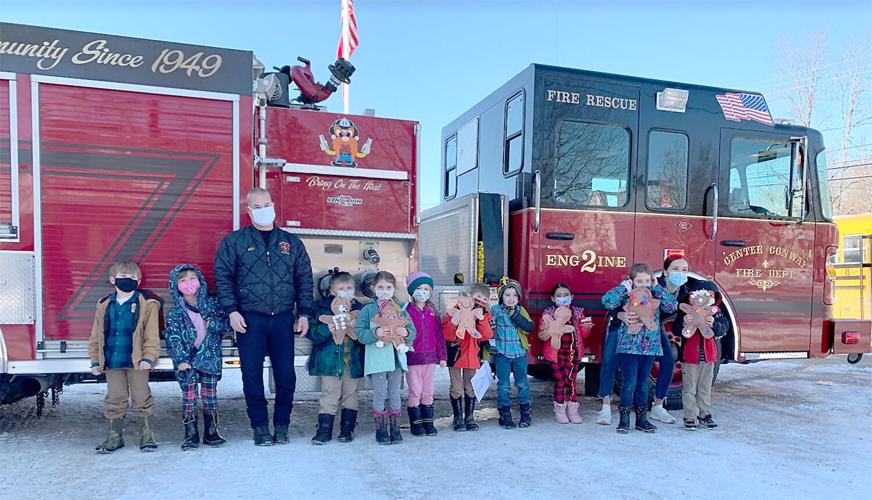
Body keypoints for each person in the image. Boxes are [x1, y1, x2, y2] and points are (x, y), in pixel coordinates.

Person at [214, 187, 314, 446]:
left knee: (286, 376)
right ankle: (259, 427)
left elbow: (304, 279)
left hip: (282, 319)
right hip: (250, 320)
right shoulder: (234, 242)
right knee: (251, 376)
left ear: (273, 206)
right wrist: (232, 311)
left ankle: (282, 426)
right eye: (257, 207)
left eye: (266, 205)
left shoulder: (291, 243)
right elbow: (223, 278)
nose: (263, 210)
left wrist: (304, 313)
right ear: (249, 211)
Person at [88, 262, 160, 453]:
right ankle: (114, 436)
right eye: (123, 277)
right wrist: (95, 360)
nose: (128, 280)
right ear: (113, 280)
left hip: (137, 361)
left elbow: (151, 334)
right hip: (112, 360)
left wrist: (149, 357)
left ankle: (147, 435)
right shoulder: (104, 304)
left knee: (141, 396)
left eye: (132, 278)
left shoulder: (147, 304)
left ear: (139, 281)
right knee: (115, 397)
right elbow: (96, 335)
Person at [601, 263, 677, 434]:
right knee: (629, 383)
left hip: (649, 347)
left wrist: (657, 288)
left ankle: (642, 419)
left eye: (647, 281)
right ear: (632, 281)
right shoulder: (626, 295)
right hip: (629, 347)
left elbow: (672, 306)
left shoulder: (654, 296)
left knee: (643, 384)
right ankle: (624, 419)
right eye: (639, 281)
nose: (644, 284)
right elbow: (607, 301)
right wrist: (623, 288)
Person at [164, 264, 231, 450]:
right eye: (183, 280)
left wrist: (213, 323)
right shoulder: (176, 312)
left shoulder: (212, 305)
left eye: (192, 278)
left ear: (200, 281)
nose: (188, 283)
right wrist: (181, 360)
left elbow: (227, 324)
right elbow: (173, 337)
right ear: (176, 285)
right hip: (187, 361)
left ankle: (211, 431)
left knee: (210, 395)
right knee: (189, 396)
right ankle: (190, 434)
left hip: (209, 358)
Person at [355, 271, 417, 445]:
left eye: (388, 287)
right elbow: (359, 333)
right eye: (381, 287)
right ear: (373, 288)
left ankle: (395, 428)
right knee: (380, 393)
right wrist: (375, 332)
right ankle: (381, 429)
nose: (384, 291)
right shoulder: (368, 310)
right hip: (378, 360)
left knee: (395, 393)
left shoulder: (400, 308)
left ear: (394, 289)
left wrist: (406, 333)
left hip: (396, 359)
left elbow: (412, 331)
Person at [307, 271, 365, 444]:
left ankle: (347, 429)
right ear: (332, 291)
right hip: (329, 362)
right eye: (341, 288)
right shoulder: (320, 309)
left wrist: (356, 328)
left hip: (353, 361)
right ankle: (324, 430)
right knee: (329, 393)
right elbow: (312, 333)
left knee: (351, 393)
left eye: (349, 288)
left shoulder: (360, 309)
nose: (346, 291)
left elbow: (366, 334)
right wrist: (327, 329)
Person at [672, 280, 729, 430]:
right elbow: (676, 329)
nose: (705, 298)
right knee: (689, 389)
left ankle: (705, 414)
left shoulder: (716, 312)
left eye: (710, 295)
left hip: (709, 357)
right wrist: (684, 322)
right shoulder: (686, 311)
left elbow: (724, 327)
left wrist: (714, 324)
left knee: (705, 388)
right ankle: (689, 416)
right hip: (690, 357)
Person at [442, 283, 494, 432]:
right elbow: (446, 335)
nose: (481, 300)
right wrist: (454, 322)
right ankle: (458, 418)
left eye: (484, 298)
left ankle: (469, 417)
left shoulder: (484, 315)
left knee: (470, 387)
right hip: (455, 354)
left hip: (472, 355)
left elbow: (487, 335)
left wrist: (481, 320)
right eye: (478, 296)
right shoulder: (454, 311)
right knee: (456, 387)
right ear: (470, 296)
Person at [538, 283, 592, 424]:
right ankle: (560, 409)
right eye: (559, 296)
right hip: (555, 354)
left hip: (573, 353)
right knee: (560, 381)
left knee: (571, 381)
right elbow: (541, 334)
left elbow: (584, 334)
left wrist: (586, 328)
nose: (563, 298)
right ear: (553, 298)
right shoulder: (548, 314)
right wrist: (548, 330)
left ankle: (573, 410)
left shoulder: (578, 313)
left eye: (566, 295)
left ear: (571, 297)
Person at [404, 272, 446, 437]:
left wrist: (442, 356)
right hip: (413, 358)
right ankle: (416, 424)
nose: (423, 292)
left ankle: (428, 422)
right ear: (412, 291)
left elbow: (439, 335)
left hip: (430, 359)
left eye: (426, 289)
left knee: (428, 390)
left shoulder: (432, 311)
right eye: (419, 288)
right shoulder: (406, 311)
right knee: (415, 391)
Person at [489, 279, 535, 429]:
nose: (511, 298)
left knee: (522, 383)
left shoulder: (521, 310)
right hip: (502, 353)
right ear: (501, 296)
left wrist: (515, 316)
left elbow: (529, 327)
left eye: (515, 295)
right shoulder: (495, 310)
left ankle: (525, 414)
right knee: (504, 385)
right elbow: (489, 328)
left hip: (519, 353)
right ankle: (505, 415)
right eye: (507, 295)